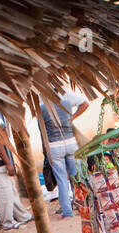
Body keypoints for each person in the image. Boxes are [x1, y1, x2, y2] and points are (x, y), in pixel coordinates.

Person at [40, 90, 90, 219]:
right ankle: (83, 204)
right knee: (76, 175)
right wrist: (71, 118)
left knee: (62, 180)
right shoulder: (67, 103)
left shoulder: (42, 108)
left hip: (54, 145)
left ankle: (67, 212)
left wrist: (45, 150)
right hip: (71, 142)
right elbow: (84, 103)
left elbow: (42, 131)